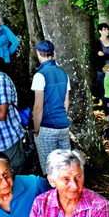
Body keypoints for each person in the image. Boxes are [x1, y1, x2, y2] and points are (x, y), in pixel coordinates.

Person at [31, 40, 72, 172]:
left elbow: (38, 107)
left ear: (38, 53)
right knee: (65, 168)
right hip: (63, 126)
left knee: (50, 170)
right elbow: (66, 103)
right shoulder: (63, 73)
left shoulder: (40, 75)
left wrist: (36, 130)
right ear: (53, 52)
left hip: (47, 126)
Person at [93, 23, 109, 98]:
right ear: (100, 31)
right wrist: (107, 55)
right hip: (102, 70)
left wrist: (104, 55)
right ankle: (105, 104)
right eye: (104, 29)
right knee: (104, 89)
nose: (107, 31)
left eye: (107, 29)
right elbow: (97, 57)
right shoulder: (97, 43)